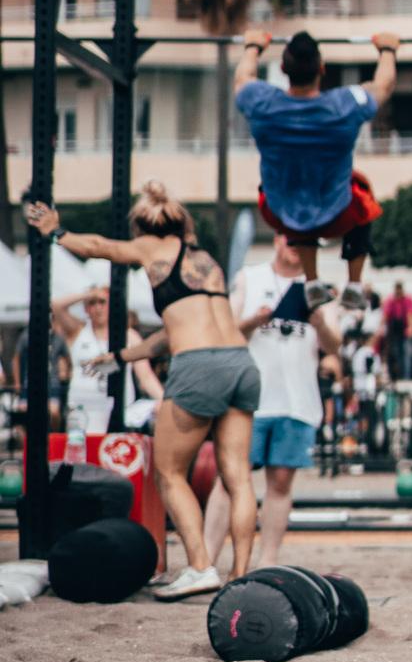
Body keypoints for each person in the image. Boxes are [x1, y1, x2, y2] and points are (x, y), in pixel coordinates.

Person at [25, 181, 260, 600]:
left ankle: (202, 567)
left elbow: (100, 246)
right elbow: (174, 331)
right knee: (238, 477)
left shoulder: (153, 249)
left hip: (200, 366)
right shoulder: (207, 262)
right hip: (240, 364)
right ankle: (241, 576)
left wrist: (55, 232)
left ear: (143, 228)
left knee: (168, 472)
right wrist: (121, 357)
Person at [234, 27, 398, 312]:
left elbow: (242, 79)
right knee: (361, 190)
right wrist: (387, 51)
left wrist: (253, 47)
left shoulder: (263, 103)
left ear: (284, 69)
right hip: (337, 215)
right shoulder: (343, 105)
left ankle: (311, 282)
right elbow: (382, 86)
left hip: (279, 213)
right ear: (321, 68)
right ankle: (355, 285)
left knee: (298, 193)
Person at [204, 234, 341, 571]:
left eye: (303, 242)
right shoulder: (250, 277)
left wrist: (319, 319)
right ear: (278, 239)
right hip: (251, 397)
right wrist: (254, 321)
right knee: (230, 478)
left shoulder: (319, 288)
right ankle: (205, 561)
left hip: (297, 400)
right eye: (291, 238)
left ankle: (267, 561)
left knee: (280, 482)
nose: (296, 246)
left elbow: (334, 345)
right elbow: (226, 331)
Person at [50, 282, 114, 434]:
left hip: (114, 405)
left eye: (102, 302)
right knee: (81, 452)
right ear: (86, 308)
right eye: (92, 303)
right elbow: (56, 305)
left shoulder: (127, 335)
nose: (98, 308)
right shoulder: (78, 331)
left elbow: (145, 375)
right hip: (82, 405)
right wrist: (88, 294)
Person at [382, 278, 412, 380]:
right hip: (394, 332)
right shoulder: (390, 300)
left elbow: (411, 315)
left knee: (407, 354)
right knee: (395, 354)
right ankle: (397, 376)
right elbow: (386, 316)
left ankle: (406, 377)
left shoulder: (407, 300)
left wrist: (411, 328)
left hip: (404, 330)